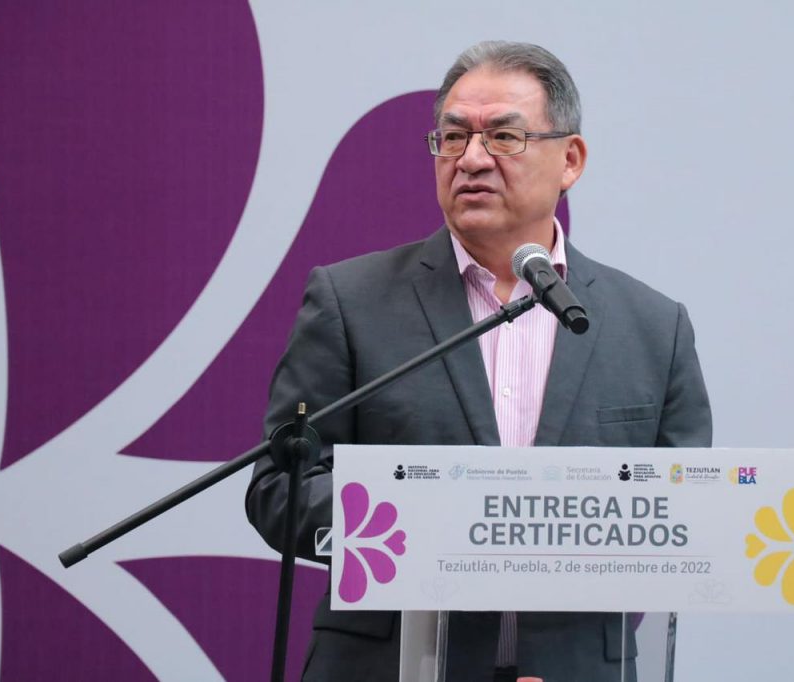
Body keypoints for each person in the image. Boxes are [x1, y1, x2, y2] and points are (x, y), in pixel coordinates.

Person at [246, 40, 711, 682]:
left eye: (503, 137)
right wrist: (435, 526)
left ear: (570, 159)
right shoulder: (351, 301)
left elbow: (686, 512)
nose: (470, 159)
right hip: (391, 666)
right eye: (453, 137)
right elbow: (281, 488)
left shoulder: (654, 327)